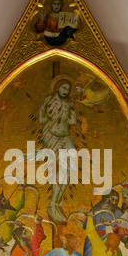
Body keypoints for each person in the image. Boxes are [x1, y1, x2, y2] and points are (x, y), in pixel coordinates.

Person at [38, 79, 77, 223]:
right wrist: (44, 108)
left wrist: (72, 109)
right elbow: (41, 120)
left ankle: (55, 202)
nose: (66, 91)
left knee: (69, 170)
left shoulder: (69, 104)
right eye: (64, 88)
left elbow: (72, 122)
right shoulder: (49, 100)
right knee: (61, 169)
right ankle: (52, 205)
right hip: (52, 136)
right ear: (57, 87)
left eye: (68, 89)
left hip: (66, 137)